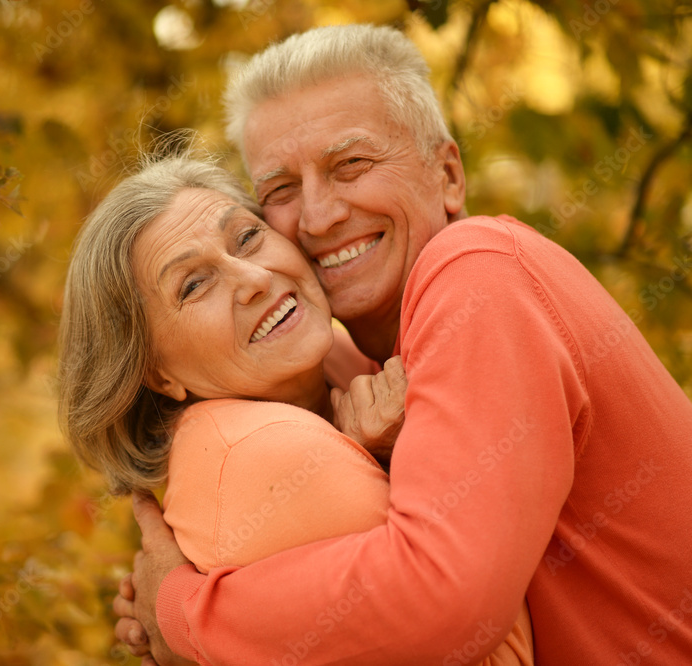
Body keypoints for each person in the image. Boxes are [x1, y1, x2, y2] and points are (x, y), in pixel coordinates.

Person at [113, 23, 692, 666]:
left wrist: (184, 608)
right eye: (279, 191)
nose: (318, 215)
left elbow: (443, 597)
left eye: (351, 165)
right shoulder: (366, 367)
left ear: (447, 175)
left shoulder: (477, 274)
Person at [58, 154, 534, 665]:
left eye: (246, 237)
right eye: (194, 285)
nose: (253, 278)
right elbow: (486, 642)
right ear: (157, 373)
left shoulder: (337, 363)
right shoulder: (266, 451)